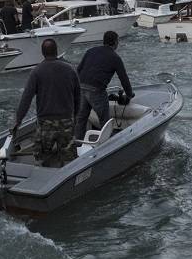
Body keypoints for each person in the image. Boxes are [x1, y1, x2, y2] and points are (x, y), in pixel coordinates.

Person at [14, 38, 81, 167]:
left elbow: (26, 99)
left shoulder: (37, 71)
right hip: (66, 121)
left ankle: (43, 179)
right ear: (57, 51)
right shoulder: (70, 69)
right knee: (69, 159)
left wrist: (18, 120)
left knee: (42, 158)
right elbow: (78, 95)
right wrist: (76, 115)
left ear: (42, 53)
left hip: (45, 123)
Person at [74, 30, 134, 141]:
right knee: (104, 121)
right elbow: (124, 79)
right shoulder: (115, 58)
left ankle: (78, 144)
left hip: (81, 87)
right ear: (115, 42)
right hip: (96, 90)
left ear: (104, 41)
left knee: (81, 119)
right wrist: (129, 95)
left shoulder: (90, 51)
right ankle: (105, 146)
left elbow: (78, 70)